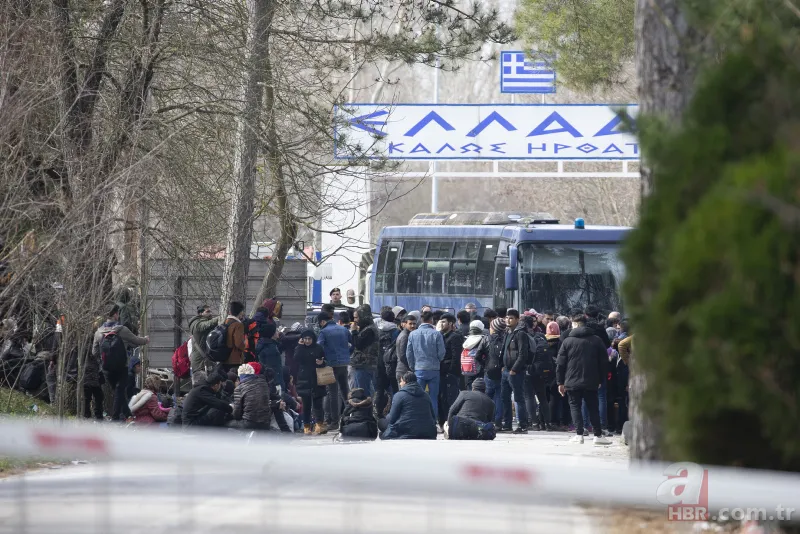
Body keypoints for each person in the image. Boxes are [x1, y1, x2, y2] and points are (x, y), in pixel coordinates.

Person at [556, 312, 611, 445]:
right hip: (591, 380)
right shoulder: (596, 340)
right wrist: (600, 379)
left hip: (571, 380)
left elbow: (560, 364)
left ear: (574, 325)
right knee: (593, 406)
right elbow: (604, 362)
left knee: (575, 406)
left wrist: (560, 382)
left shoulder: (567, 341)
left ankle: (579, 434)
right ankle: (598, 435)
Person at [93, 304, 149, 422]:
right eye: (118, 313)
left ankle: (128, 415)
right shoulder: (122, 329)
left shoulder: (99, 332)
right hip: (122, 367)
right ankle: (116, 418)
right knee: (119, 392)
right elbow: (136, 340)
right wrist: (146, 339)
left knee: (118, 392)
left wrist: (103, 361)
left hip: (107, 368)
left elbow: (94, 352)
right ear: (115, 314)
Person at [405, 310, 445, 416]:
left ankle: (419, 419)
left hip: (419, 369)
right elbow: (441, 353)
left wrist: (413, 366)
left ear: (420, 320)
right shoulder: (437, 334)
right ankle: (433, 420)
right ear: (431, 320)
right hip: (434, 369)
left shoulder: (413, 334)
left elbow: (409, 353)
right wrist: (437, 361)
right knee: (433, 397)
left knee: (418, 397)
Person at [317, 311, 351, 429]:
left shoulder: (323, 331)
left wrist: (320, 359)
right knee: (345, 391)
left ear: (322, 321)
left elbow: (319, 347)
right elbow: (353, 343)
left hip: (330, 365)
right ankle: (350, 417)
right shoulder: (344, 330)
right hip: (344, 363)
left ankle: (334, 422)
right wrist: (347, 355)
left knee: (333, 393)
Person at [379, 372, 437, 440]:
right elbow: (433, 417)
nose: (400, 384)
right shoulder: (426, 395)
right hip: (428, 432)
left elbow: (392, 419)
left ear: (405, 382)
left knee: (381, 423)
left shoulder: (399, 395)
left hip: (406, 431)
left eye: (401, 381)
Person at [501, 309, 529, 433]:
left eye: (511, 318)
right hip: (505, 370)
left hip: (516, 371)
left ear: (517, 319)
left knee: (518, 398)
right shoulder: (507, 332)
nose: (508, 320)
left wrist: (514, 369)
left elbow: (523, 354)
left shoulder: (521, 333)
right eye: (507, 318)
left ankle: (523, 425)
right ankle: (507, 424)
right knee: (504, 398)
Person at [295, 329, 327, 434]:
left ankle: (319, 425)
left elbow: (325, 361)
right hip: (304, 379)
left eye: (309, 339)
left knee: (318, 404)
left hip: (317, 378)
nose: (307, 341)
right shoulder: (300, 348)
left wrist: (322, 362)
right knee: (306, 405)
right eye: (305, 339)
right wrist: (300, 346)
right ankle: (307, 426)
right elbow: (296, 359)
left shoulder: (318, 348)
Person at [438, 313, 464, 428]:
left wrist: (451, 371)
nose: (441, 324)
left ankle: (450, 422)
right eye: (440, 321)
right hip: (441, 373)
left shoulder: (455, 336)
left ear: (451, 323)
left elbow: (456, 356)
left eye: (444, 322)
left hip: (450, 373)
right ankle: (442, 421)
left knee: (450, 399)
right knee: (442, 398)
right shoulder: (441, 335)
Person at [229, 363, 272, 430]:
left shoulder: (239, 388)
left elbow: (237, 414)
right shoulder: (264, 383)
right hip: (266, 423)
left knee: (225, 424)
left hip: (249, 423)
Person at [349, 306, 380, 397]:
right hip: (362, 364)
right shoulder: (365, 328)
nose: (355, 320)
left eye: (356, 317)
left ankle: (366, 410)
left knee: (363, 392)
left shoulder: (369, 330)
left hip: (364, 365)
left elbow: (358, 345)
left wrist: (354, 332)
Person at [375, 310, 400, 418]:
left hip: (379, 363)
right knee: (395, 388)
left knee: (380, 389)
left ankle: (379, 412)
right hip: (392, 363)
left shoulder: (376, 330)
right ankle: (395, 412)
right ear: (393, 319)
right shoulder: (396, 331)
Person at [545, 321, 569, 430]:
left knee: (546, 398)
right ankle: (556, 421)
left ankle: (546, 421)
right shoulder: (561, 342)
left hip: (545, 373)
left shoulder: (543, 341)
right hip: (557, 372)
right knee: (557, 398)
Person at [188, 305, 218, 381]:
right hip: (199, 364)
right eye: (207, 311)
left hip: (205, 362)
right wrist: (220, 318)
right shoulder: (196, 324)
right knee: (200, 386)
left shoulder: (203, 322)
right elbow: (205, 325)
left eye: (210, 311)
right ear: (201, 313)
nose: (210, 313)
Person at [485, 318, 506, 428]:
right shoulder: (506, 338)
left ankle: (486, 419)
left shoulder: (487, 339)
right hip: (502, 371)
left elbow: (479, 355)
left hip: (489, 371)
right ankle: (498, 421)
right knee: (499, 397)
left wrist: (485, 365)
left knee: (487, 396)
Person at [83, 321, 104, 421]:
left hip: (92, 372)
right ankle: (94, 415)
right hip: (91, 372)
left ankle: (90, 414)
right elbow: (94, 354)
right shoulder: (91, 341)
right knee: (94, 396)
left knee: (93, 396)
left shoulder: (89, 340)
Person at [461, 320, 490, 391]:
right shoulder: (484, 339)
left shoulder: (466, 339)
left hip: (467, 369)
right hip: (479, 368)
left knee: (469, 389)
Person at [255, 322, 282, 391]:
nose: (278, 332)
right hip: (273, 383)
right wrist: (278, 384)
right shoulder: (271, 349)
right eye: (276, 330)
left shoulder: (264, 345)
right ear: (272, 334)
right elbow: (274, 368)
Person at [224, 301, 247, 370]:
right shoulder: (238, 325)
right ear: (240, 312)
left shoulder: (226, 321)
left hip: (224, 356)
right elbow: (238, 343)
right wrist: (244, 346)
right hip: (234, 358)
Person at [394, 311, 417, 383]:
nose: (413, 326)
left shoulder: (406, 334)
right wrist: (411, 367)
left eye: (414, 324)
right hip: (404, 371)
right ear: (405, 324)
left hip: (403, 370)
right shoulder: (405, 336)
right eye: (410, 324)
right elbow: (403, 356)